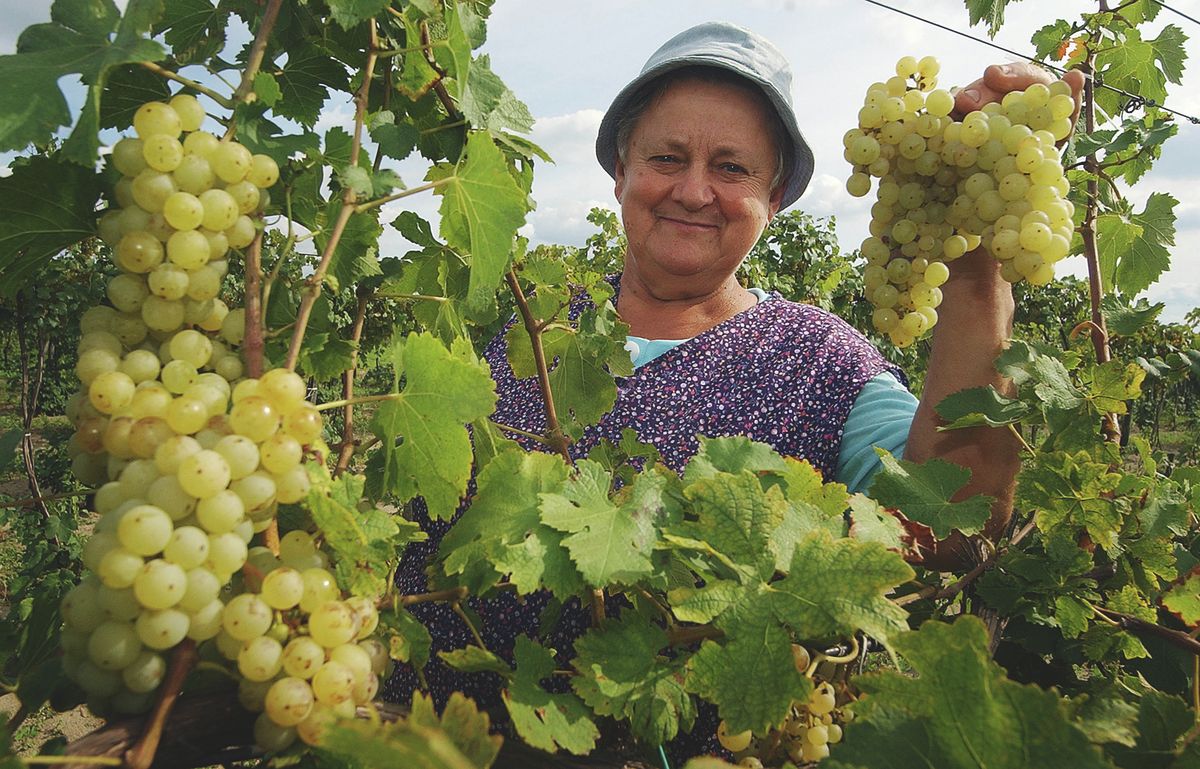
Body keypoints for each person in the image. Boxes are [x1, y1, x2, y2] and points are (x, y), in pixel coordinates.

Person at [385, 20, 1084, 758]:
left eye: (731, 167)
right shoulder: (531, 331)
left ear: (773, 196)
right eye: (665, 157)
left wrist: (977, 250)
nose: (693, 190)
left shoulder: (822, 361)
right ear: (620, 172)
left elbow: (958, 513)